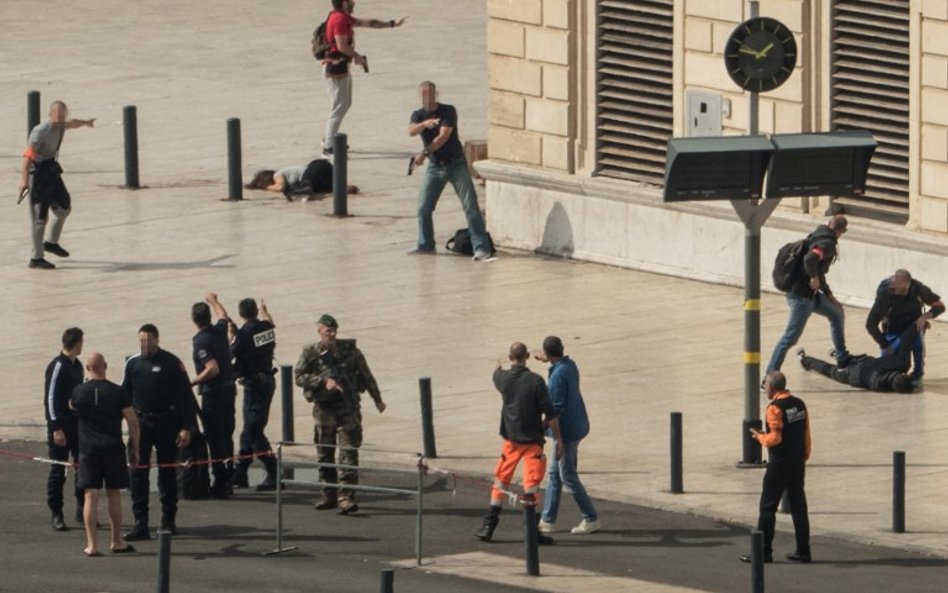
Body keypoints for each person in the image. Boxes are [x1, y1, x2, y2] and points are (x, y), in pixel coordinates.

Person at [294, 314, 385, 514]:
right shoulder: (310, 353)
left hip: (347, 409)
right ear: (319, 331)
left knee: (349, 453)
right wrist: (321, 382)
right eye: (328, 331)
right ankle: (329, 494)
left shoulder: (350, 351)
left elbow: (366, 375)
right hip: (324, 410)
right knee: (325, 454)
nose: (332, 335)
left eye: (334, 331)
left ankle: (346, 496)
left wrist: (377, 398)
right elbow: (298, 376)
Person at [476, 342, 562, 545]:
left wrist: (497, 367)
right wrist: (559, 440)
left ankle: (489, 525)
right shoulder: (536, 381)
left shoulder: (503, 379)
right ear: (527, 357)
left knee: (501, 481)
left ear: (510, 357)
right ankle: (532, 530)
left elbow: (496, 374)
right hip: (532, 440)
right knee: (531, 485)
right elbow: (551, 415)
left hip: (511, 440)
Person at [408, 81, 494, 262]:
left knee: (470, 206)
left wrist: (424, 153)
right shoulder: (418, 114)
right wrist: (425, 123)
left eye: (430, 94)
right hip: (435, 167)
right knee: (423, 207)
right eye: (423, 95)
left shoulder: (448, 111)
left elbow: (443, 137)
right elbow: (411, 131)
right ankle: (426, 244)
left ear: (436, 94)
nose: (427, 98)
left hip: (456, 164)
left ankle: (481, 248)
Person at [122, 324, 194, 541]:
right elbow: (124, 395)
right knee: (138, 472)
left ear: (156, 340)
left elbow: (186, 398)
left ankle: (168, 520)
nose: (144, 345)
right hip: (141, 423)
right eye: (141, 341)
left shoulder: (172, 363)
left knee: (166, 472)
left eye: (147, 341)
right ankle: (140, 523)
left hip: (166, 422)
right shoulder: (133, 363)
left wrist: (186, 427)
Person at [206, 294, 279, 491]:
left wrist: (231, 336)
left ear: (241, 314)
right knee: (248, 430)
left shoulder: (244, 335)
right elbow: (269, 324)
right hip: (267, 381)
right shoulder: (266, 329)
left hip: (254, 386)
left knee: (253, 431)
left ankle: (274, 470)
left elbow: (228, 355)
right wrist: (265, 312)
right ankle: (240, 473)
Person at [71, 352, 140, 556]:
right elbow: (133, 421)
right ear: (106, 365)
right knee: (113, 494)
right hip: (112, 447)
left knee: (90, 496)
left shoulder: (79, 392)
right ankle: (116, 540)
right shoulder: (117, 392)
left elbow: (71, 407)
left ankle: (92, 544)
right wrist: (135, 448)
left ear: (87, 367)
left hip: (88, 449)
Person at [320, 0, 408, 157]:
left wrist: (392, 23)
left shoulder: (343, 17)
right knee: (339, 106)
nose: (353, 2)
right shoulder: (339, 19)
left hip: (341, 68)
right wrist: (357, 57)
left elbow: (368, 23)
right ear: (344, 2)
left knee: (345, 104)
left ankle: (329, 137)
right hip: (334, 69)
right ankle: (328, 146)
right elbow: (341, 46)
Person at [740, 371, 811, 564]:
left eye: (765, 387)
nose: (765, 390)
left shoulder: (774, 408)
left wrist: (759, 437)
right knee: (799, 507)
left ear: (771, 388)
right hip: (797, 461)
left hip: (779, 463)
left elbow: (775, 438)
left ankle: (763, 551)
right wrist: (804, 455)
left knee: (767, 507)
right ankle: (803, 550)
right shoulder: (799, 404)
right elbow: (805, 433)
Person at [766, 215, 852, 373]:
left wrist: (829, 295)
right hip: (801, 298)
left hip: (811, 295)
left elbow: (818, 270)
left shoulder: (817, 235)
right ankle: (770, 376)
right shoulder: (827, 244)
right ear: (842, 231)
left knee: (837, 313)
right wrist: (813, 277)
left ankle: (842, 358)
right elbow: (810, 259)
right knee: (790, 338)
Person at [534, 336, 600, 535]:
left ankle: (590, 518)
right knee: (554, 474)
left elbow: (556, 408)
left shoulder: (557, 376)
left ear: (548, 353)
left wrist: (542, 426)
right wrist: (547, 359)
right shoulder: (569, 365)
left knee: (567, 475)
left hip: (567, 431)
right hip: (577, 424)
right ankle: (547, 519)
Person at [19, 100, 95, 269]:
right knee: (39, 218)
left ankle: (51, 242)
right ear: (49, 114)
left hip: (51, 173)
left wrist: (86, 123)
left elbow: (73, 124)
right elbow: (28, 156)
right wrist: (24, 179)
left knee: (64, 208)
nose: (60, 119)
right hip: (37, 176)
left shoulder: (61, 126)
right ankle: (36, 258)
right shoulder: (40, 131)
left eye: (63, 115)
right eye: (57, 115)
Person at [191, 297, 238, 498]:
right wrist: (215, 301)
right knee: (227, 436)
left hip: (214, 394)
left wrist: (193, 382)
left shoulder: (201, 341)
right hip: (229, 391)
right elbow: (224, 317)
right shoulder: (219, 330)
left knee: (216, 439)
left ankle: (220, 482)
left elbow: (212, 368)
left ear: (194, 320)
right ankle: (229, 478)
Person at [865, 269, 943, 388]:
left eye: (902, 289)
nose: (898, 292)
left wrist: (925, 317)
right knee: (889, 362)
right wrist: (884, 344)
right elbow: (870, 324)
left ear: (909, 284)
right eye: (896, 288)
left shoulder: (918, 289)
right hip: (892, 330)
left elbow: (940, 306)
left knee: (917, 342)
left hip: (914, 325)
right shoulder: (885, 294)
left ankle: (918, 374)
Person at [44, 327, 86, 531]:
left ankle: (81, 507)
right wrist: (56, 428)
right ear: (77, 343)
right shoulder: (58, 366)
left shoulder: (77, 366)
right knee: (58, 470)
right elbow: (50, 398)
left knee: (82, 467)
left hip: (77, 425)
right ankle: (56, 512)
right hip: (61, 426)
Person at [799, 325, 918, 394]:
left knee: (846, 361)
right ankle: (805, 359)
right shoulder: (878, 386)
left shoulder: (901, 364)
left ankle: (838, 355)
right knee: (829, 370)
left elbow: (906, 340)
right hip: (852, 374)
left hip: (863, 361)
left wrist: (916, 326)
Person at [245, 159, 359, 200]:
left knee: (305, 183)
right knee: (318, 188)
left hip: (317, 167)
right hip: (323, 176)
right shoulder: (290, 178)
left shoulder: (278, 174)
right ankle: (343, 188)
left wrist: (263, 187)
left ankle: (306, 189)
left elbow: (280, 187)